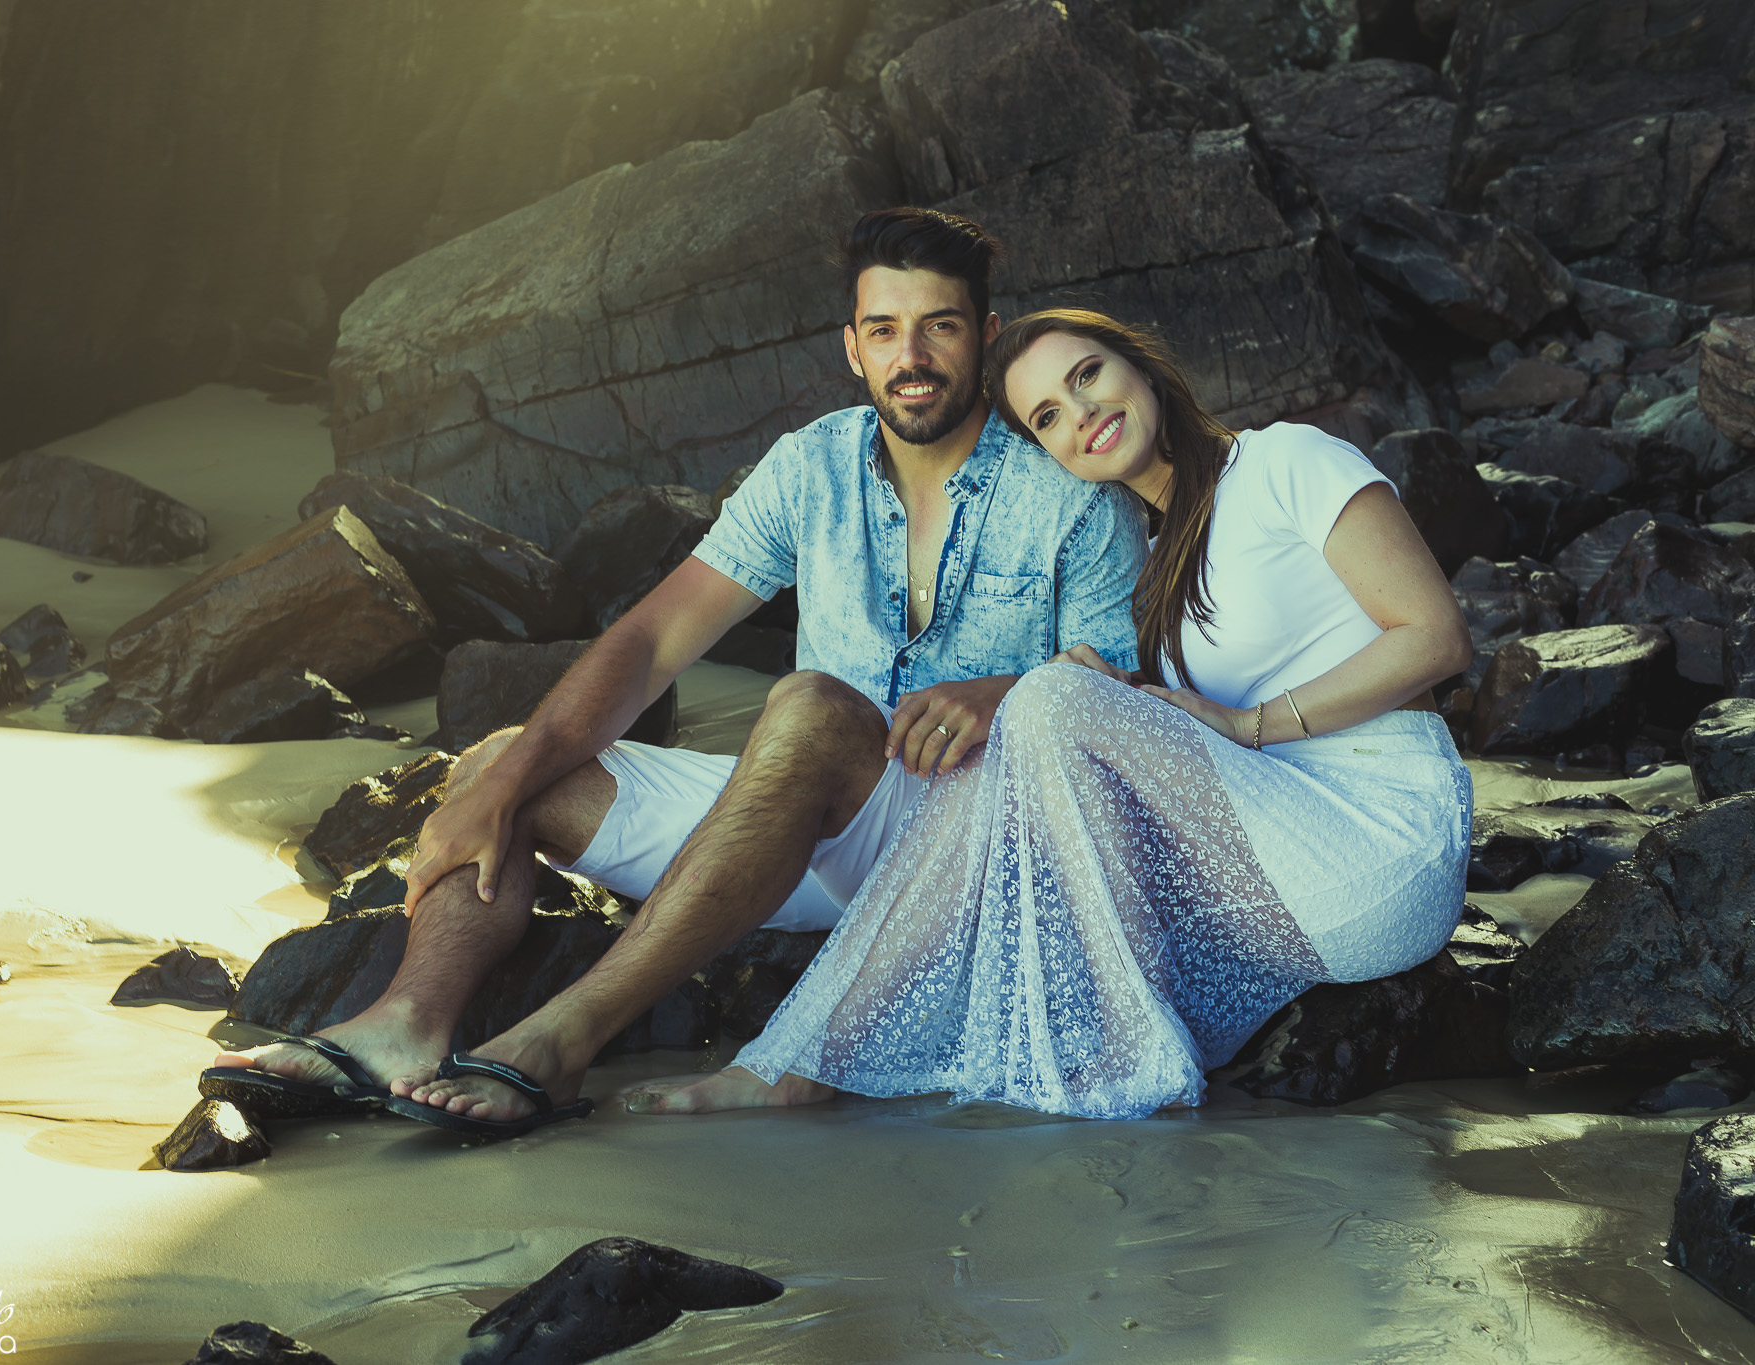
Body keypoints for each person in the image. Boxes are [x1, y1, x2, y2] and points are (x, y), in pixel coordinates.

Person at [205, 213, 1148, 1136]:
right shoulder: (810, 468)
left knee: (811, 708)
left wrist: (1005, 693)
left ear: (983, 337)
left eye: (940, 326)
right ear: (851, 348)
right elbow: (652, 640)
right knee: (504, 768)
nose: (914, 356)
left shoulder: (1072, 495)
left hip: (967, 848)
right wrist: (504, 779)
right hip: (797, 848)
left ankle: (566, 1032)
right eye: (884, 329)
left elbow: (1127, 720)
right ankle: (404, 1024)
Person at [629, 308, 1475, 1120]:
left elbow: (1435, 638)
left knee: (1048, 698)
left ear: (1138, 361)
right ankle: (810, 1060)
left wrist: (1243, 725)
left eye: (1088, 375)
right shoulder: (1152, 570)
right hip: (1278, 860)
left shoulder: (1287, 461)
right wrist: (1107, 693)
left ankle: (1103, 1049)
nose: (1083, 415)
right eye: (1048, 415)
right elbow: (1177, 746)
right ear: (1051, 453)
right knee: (1023, 725)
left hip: (1383, 844)